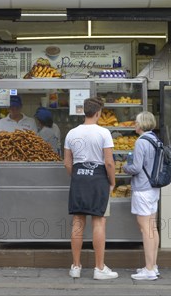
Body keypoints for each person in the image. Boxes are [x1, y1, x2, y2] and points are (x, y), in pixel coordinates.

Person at [64, 97, 118, 280]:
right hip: (99, 177)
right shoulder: (104, 133)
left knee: (78, 221)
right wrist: (112, 181)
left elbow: (67, 163)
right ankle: (99, 268)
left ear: (83, 111)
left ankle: (75, 266)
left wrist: (77, 176)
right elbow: (109, 162)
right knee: (99, 221)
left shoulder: (71, 133)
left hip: (79, 176)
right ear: (98, 113)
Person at [123, 111, 160, 281]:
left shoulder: (141, 142)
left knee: (145, 228)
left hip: (142, 188)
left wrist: (125, 166)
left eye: (136, 122)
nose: (134, 124)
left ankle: (149, 269)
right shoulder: (155, 140)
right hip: (153, 188)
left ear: (142, 124)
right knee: (152, 227)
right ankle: (153, 265)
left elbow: (136, 167)